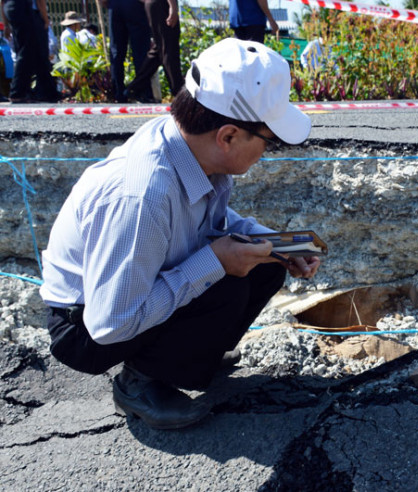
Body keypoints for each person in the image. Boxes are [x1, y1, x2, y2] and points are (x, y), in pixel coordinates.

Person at [40, 38, 318, 430]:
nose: (265, 153)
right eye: (267, 142)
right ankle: (138, 382)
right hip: (85, 325)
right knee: (227, 282)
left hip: (126, 293)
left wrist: (277, 243)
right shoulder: (142, 196)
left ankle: (190, 352)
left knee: (264, 263)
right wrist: (216, 261)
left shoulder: (191, 147)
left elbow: (210, 222)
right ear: (228, 136)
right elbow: (110, 324)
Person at [0, 0, 60, 103]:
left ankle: (46, 92)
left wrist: (6, 24)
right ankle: (18, 93)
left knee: (33, 52)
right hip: (25, 10)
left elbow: (2, 2)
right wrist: (46, 20)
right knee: (29, 51)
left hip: (12, 9)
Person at [124, 0, 183, 102]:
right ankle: (179, 93)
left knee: (159, 49)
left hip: (154, 4)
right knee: (169, 48)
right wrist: (173, 7)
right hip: (162, 4)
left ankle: (134, 88)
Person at [100, 0, 152, 103]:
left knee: (116, 52)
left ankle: (118, 93)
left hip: (114, 5)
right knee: (140, 51)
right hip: (135, 5)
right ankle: (142, 92)